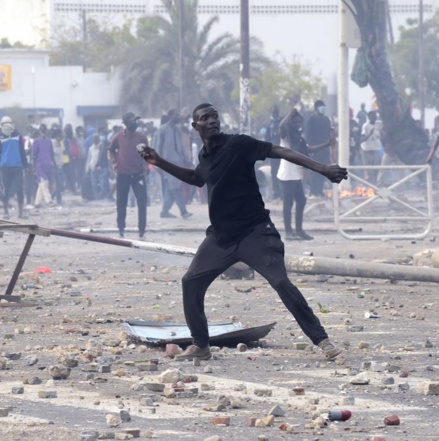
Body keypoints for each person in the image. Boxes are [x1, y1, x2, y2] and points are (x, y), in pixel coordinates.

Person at [139, 103, 348, 361]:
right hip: (221, 237)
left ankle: (322, 340)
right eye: (206, 118)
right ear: (196, 126)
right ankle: (201, 345)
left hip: (255, 232)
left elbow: (280, 150)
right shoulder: (205, 157)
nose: (212, 120)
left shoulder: (238, 144)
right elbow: (196, 178)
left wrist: (323, 169)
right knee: (191, 282)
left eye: (215, 116)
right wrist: (158, 161)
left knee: (281, 282)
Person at [276, 109, 333, 241]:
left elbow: (308, 149)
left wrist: (327, 144)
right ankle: (288, 232)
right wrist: (291, 113)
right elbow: (282, 125)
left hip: (296, 173)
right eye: (296, 122)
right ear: (291, 122)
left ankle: (299, 230)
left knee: (301, 201)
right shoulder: (286, 134)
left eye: (300, 123)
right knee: (288, 203)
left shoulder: (298, 138)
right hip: (287, 173)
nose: (298, 125)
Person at [109, 112, 149, 239]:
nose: (135, 123)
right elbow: (111, 150)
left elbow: (146, 154)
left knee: (142, 203)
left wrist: (146, 166)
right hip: (122, 175)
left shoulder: (141, 137)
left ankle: (141, 229)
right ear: (126, 124)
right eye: (133, 121)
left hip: (138, 175)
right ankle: (121, 228)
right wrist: (115, 163)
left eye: (136, 121)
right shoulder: (119, 137)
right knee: (121, 202)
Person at [154, 109, 192, 219]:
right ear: (170, 116)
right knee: (175, 188)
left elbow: (181, 147)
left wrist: (187, 160)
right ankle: (183, 211)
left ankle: (164, 211)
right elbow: (158, 147)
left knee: (171, 188)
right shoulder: (162, 130)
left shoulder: (178, 129)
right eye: (176, 115)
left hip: (178, 162)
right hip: (167, 163)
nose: (178, 117)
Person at [0, 116, 28, 219]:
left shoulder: (18, 136)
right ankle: (6, 212)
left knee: (20, 189)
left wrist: (25, 166)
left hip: (17, 166)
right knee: (6, 189)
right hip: (5, 167)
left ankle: (20, 213)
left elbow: (22, 151)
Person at [305, 99, 332, 197]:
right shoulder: (311, 119)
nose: (323, 108)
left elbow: (329, 133)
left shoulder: (326, 119)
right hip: (315, 148)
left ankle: (320, 190)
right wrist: (310, 148)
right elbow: (308, 134)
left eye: (323, 106)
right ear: (316, 108)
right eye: (321, 106)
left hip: (325, 149)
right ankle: (313, 190)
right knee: (314, 170)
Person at [31, 124, 54, 207]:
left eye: (45, 130)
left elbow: (51, 153)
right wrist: (34, 167)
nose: (43, 131)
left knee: (41, 184)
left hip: (48, 164)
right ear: (39, 131)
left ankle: (37, 203)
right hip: (39, 165)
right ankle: (49, 201)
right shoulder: (36, 142)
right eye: (42, 130)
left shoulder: (49, 141)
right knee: (44, 183)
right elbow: (34, 155)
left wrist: (52, 163)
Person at [264, 105, 284, 200]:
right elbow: (267, 139)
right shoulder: (270, 125)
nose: (274, 114)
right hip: (273, 151)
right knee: (274, 172)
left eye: (276, 112)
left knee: (282, 171)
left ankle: (282, 192)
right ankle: (277, 192)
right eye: (273, 112)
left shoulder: (282, 122)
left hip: (282, 150)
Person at [359, 111, 383, 182]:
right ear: (369, 117)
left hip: (376, 149)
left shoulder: (378, 125)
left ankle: (375, 182)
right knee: (368, 169)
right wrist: (370, 134)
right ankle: (368, 183)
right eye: (373, 116)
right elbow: (362, 139)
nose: (374, 117)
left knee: (377, 167)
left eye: (375, 116)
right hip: (367, 150)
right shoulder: (365, 126)